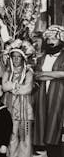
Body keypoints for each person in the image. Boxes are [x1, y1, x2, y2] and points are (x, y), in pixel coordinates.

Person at [33, 25, 64, 157]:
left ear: (61, 41)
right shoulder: (41, 57)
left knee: (56, 121)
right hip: (42, 94)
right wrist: (55, 74)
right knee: (42, 120)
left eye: (54, 39)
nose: (51, 41)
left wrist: (46, 74)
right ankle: (44, 150)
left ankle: (54, 151)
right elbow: (36, 75)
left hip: (60, 93)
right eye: (49, 39)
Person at [2, 44, 34, 157]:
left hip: (25, 107)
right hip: (10, 106)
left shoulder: (28, 72)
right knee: (12, 133)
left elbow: (27, 89)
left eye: (18, 56)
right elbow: (4, 87)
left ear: (23, 58)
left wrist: (12, 86)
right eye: (13, 56)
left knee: (25, 134)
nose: (15, 59)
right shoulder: (7, 72)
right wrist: (18, 86)